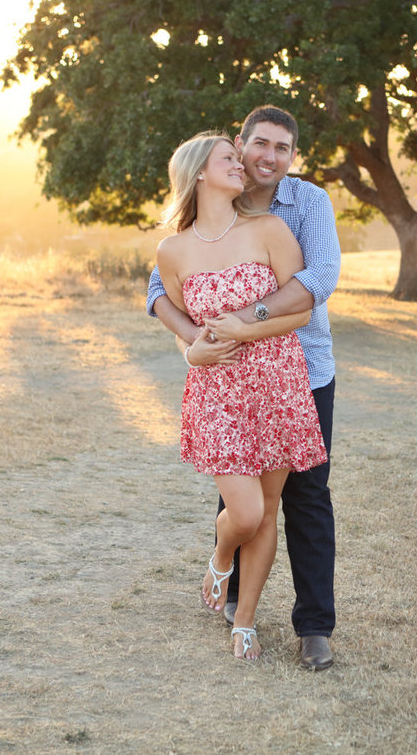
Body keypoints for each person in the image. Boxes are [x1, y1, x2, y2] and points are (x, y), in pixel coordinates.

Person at [147, 105, 341, 670]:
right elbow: (163, 287)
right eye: (256, 146)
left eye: (283, 148)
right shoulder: (183, 240)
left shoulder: (300, 207)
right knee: (244, 507)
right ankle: (228, 583)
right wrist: (192, 346)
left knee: (301, 501)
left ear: (291, 156)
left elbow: (316, 284)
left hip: (297, 374)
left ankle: (309, 627)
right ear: (238, 146)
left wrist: (248, 319)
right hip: (223, 388)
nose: (267, 157)